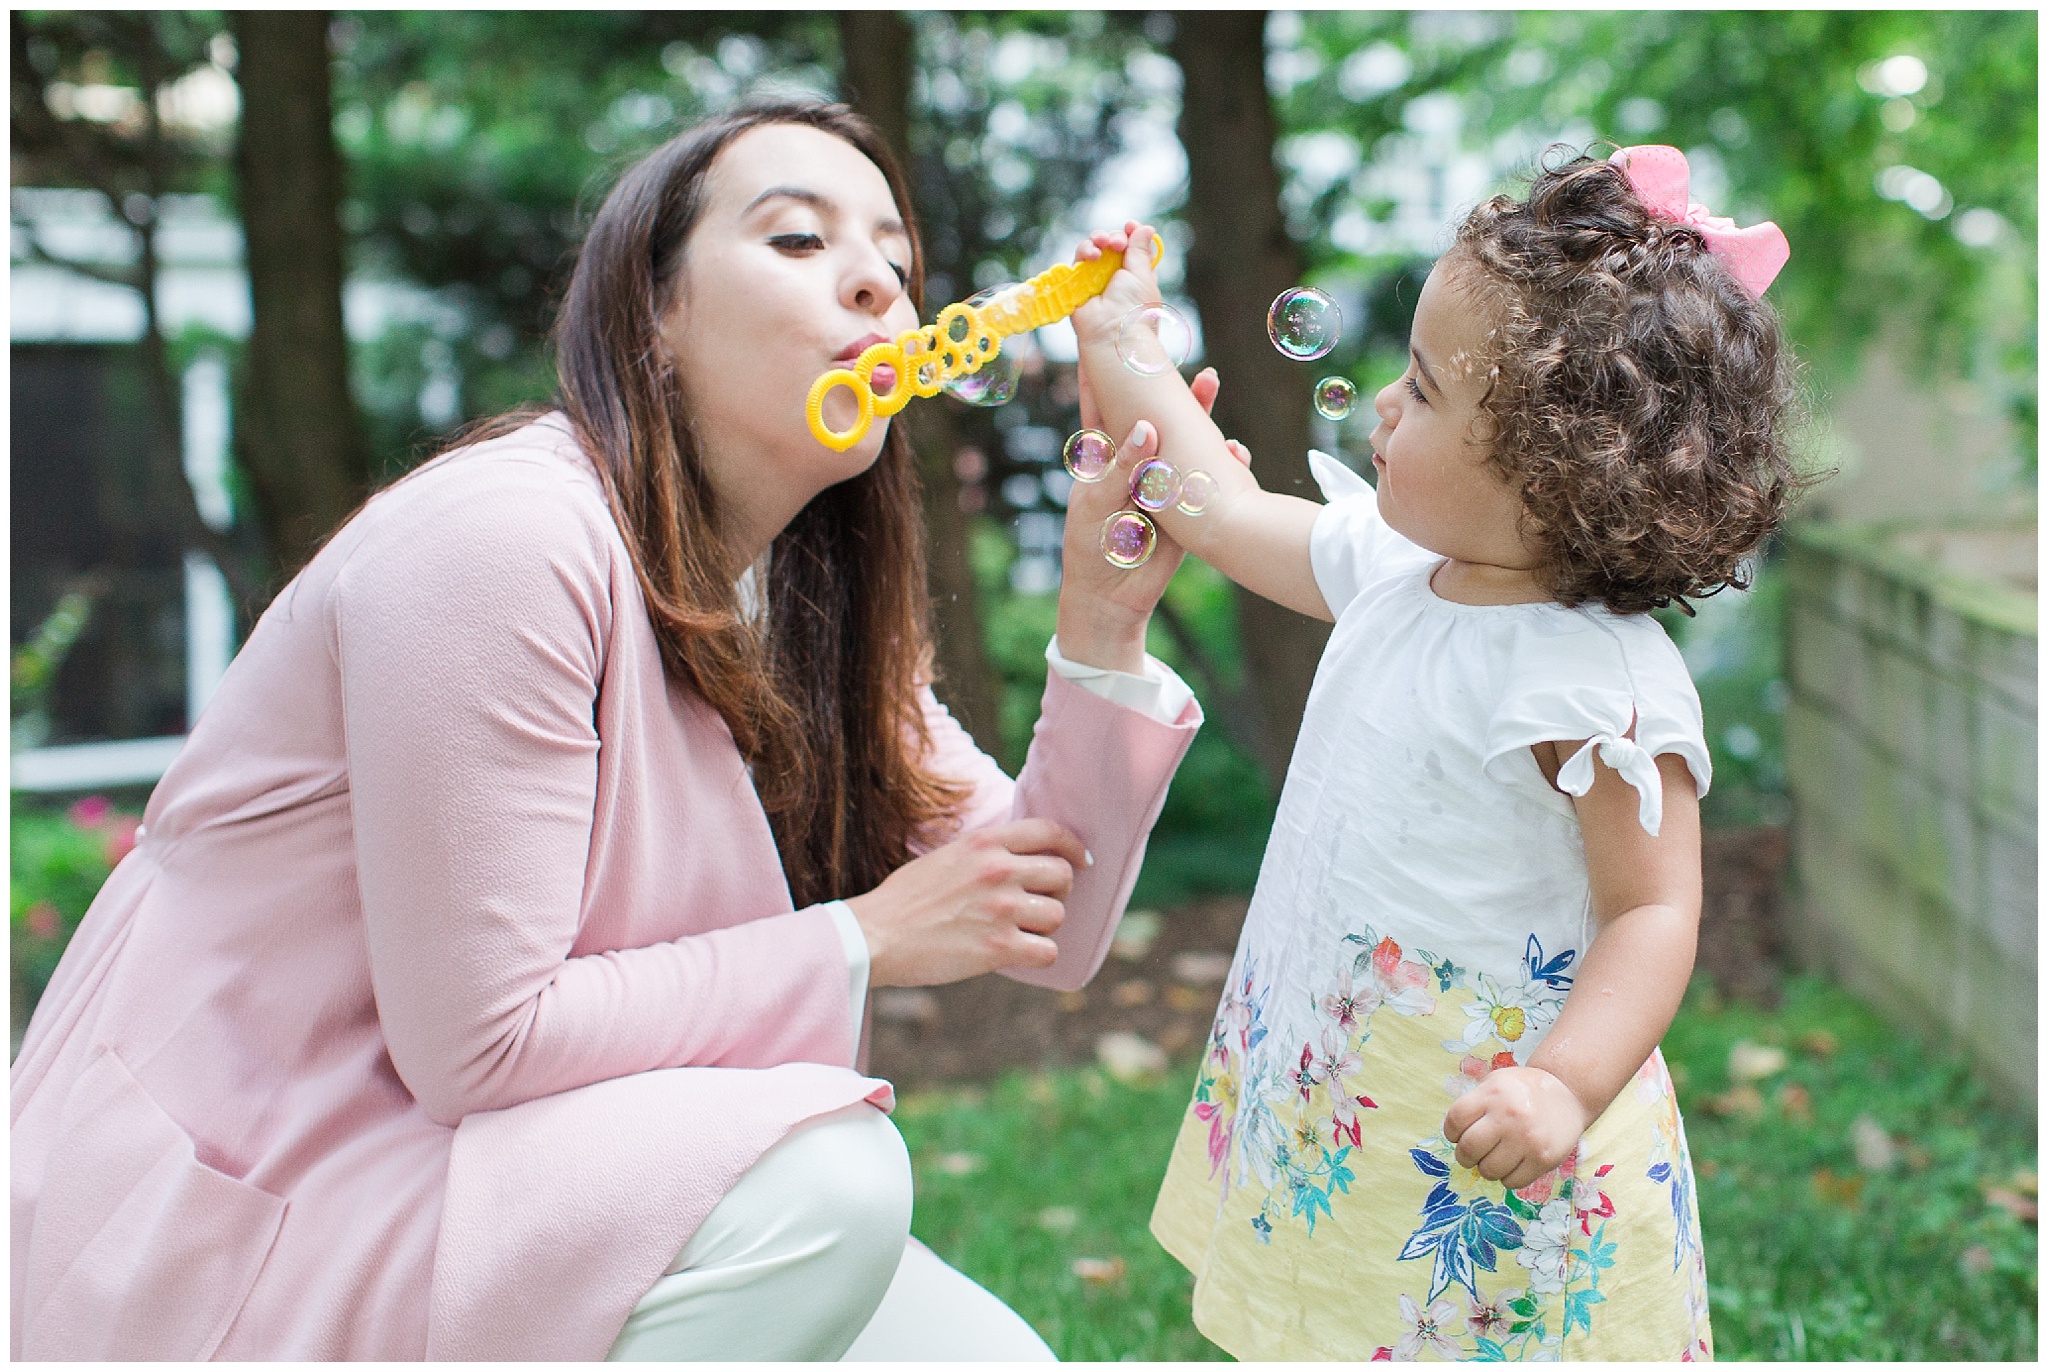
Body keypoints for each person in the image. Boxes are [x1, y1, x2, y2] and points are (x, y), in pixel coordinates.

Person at [8, 98, 1231, 1361]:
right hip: (253, 1202)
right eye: (800, 241)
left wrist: (1099, 615)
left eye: (896, 262)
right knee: (824, 1185)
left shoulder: (797, 606)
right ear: (656, 314)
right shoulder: (502, 540)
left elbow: (1051, 926)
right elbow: (481, 1044)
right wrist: (863, 938)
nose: (876, 282)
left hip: (468, 1176)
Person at [1066, 145, 1798, 1359]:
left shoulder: (1590, 682)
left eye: (1421, 386)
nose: (1386, 405)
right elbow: (1223, 510)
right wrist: (1119, 345)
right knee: (1344, 1314)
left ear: (1550, 470)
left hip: (1489, 1121)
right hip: (1354, 1079)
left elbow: (1652, 912)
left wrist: (1562, 1083)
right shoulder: (1394, 566)